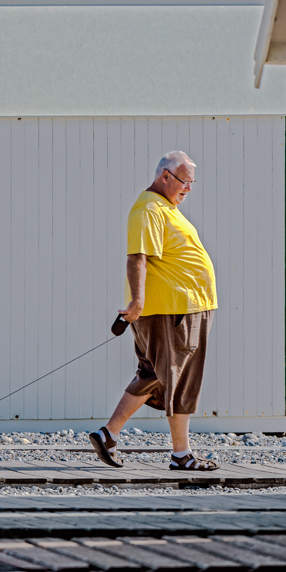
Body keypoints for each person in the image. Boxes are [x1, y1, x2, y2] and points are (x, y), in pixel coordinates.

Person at [89, 150, 219, 471]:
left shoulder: (164, 207)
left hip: (182, 308)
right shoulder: (148, 209)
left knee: (152, 374)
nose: (188, 188)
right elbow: (138, 257)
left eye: (192, 183)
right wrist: (137, 303)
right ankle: (181, 454)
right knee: (181, 378)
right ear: (165, 177)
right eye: (184, 181)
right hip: (173, 310)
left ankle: (108, 435)